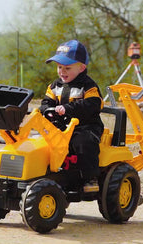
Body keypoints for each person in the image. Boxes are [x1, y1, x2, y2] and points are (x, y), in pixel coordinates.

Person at [40, 39, 104, 192]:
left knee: (82, 142)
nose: (62, 71)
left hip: (86, 126)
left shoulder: (88, 86)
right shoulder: (55, 86)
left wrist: (68, 108)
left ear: (81, 68)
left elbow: (94, 104)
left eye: (67, 68)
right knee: (43, 141)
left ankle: (90, 178)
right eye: (59, 67)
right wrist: (48, 110)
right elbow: (45, 102)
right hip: (62, 127)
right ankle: (48, 174)